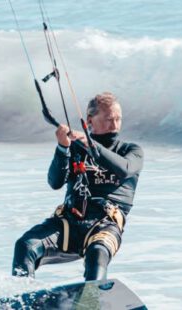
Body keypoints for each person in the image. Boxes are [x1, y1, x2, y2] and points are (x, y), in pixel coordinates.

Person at [12, 92, 144, 281]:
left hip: (105, 224)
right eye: (108, 119)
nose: (114, 125)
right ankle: (21, 300)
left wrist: (90, 144)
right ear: (90, 120)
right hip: (69, 222)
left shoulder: (131, 151)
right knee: (26, 245)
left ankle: (92, 302)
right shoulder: (75, 148)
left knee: (97, 253)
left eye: (118, 119)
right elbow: (55, 182)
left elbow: (125, 169)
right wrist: (63, 148)